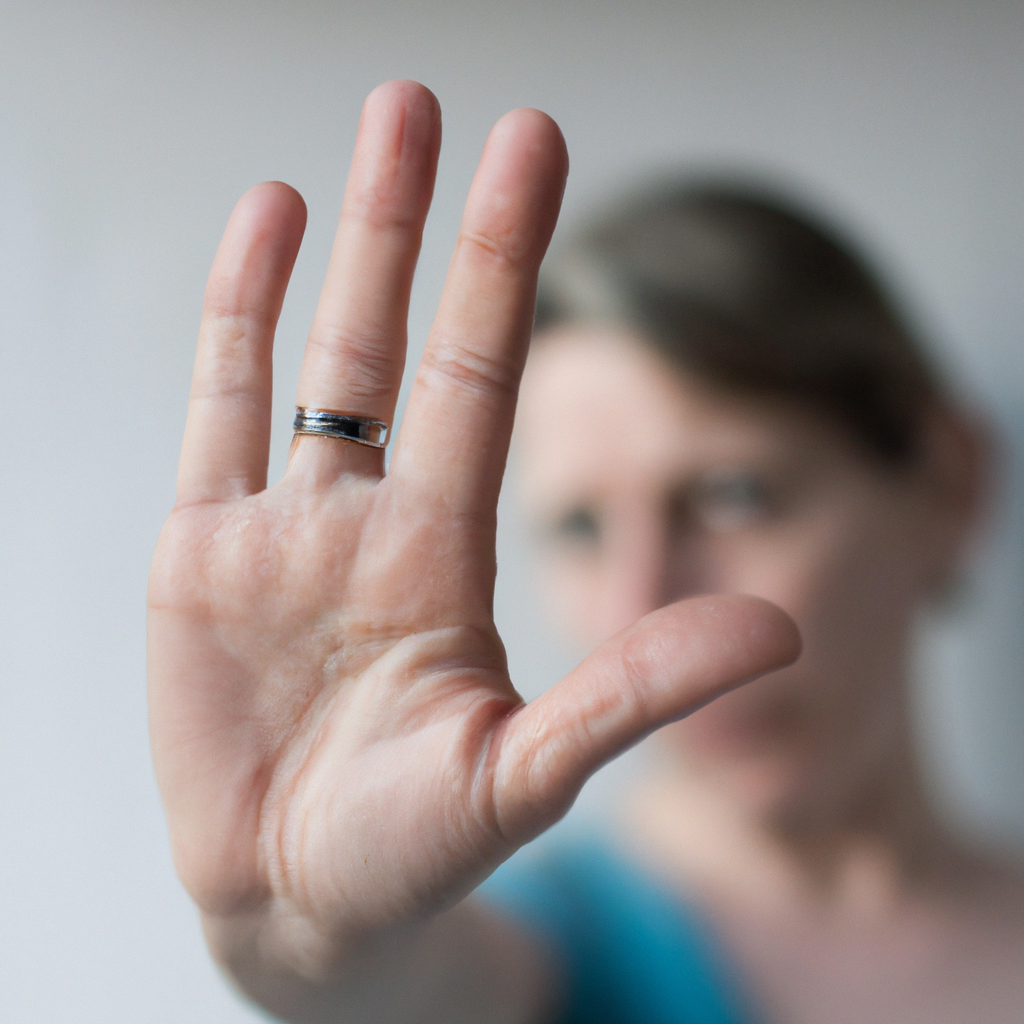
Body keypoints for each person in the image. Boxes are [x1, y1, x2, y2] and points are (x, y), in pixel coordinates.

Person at [148, 79, 1023, 1023]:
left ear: (948, 485)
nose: (638, 603)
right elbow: (406, 986)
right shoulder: (546, 946)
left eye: (735, 496)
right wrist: (309, 936)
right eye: (581, 527)